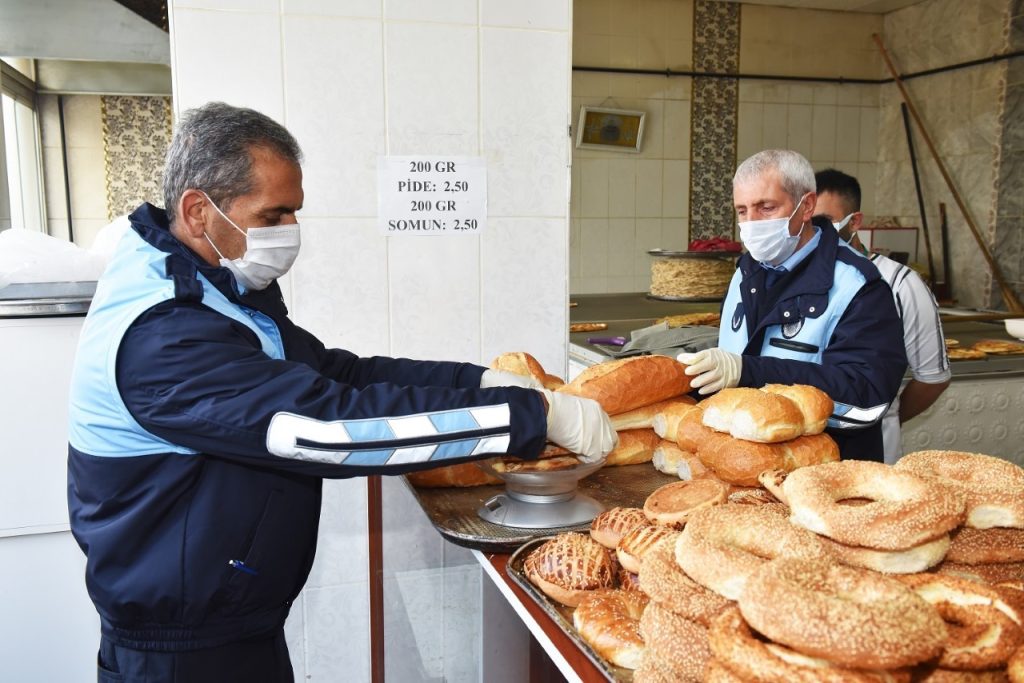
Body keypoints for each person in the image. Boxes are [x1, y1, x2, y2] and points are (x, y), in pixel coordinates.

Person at [67, 102, 617, 682]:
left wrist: (479, 381)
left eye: (294, 214)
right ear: (199, 211)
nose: (289, 234)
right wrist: (530, 415)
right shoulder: (164, 334)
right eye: (273, 215)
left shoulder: (217, 291)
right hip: (179, 653)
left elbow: (340, 374)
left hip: (227, 624)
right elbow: (328, 427)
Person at [678, 149, 907, 461]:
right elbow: (737, 356)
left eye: (766, 207)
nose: (751, 223)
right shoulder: (745, 272)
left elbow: (866, 396)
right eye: (742, 211)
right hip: (746, 461)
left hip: (827, 470)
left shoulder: (857, 285)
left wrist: (750, 372)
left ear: (807, 206)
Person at [814, 168, 950, 463]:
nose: (816, 232)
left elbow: (932, 378)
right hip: (807, 449)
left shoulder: (900, 284)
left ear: (855, 222)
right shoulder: (801, 280)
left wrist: (884, 415)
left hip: (872, 453)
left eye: (825, 222)